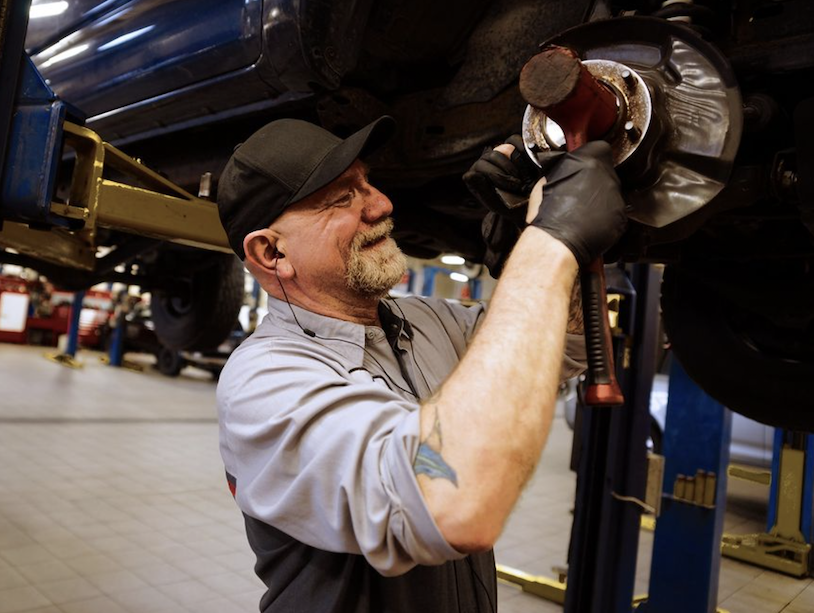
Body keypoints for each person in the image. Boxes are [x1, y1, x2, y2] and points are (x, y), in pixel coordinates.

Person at [214, 116, 626, 612]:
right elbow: (450, 506)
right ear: (272, 251)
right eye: (342, 197)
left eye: (368, 183)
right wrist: (549, 243)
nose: (382, 204)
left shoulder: (429, 320)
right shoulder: (264, 380)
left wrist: (536, 240)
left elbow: (568, 343)